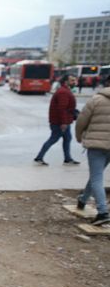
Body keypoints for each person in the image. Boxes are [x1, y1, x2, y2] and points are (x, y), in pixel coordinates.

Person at [75, 79, 110, 225]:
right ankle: (83, 199)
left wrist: (79, 136)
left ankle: (102, 212)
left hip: (96, 145)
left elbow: (82, 120)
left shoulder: (96, 99)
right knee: (96, 174)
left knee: (96, 177)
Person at [34, 75, 81, 166]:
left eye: (75, 80)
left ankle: (68, 158)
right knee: (53, 139)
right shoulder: (63, 92)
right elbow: (61, 109)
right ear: (66, 82)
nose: (74, 82)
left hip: (64, 121)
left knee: (67, 139)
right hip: (60, 123)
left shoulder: (65, 90)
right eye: (72, 80)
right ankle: (39, 157)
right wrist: (63, 122)